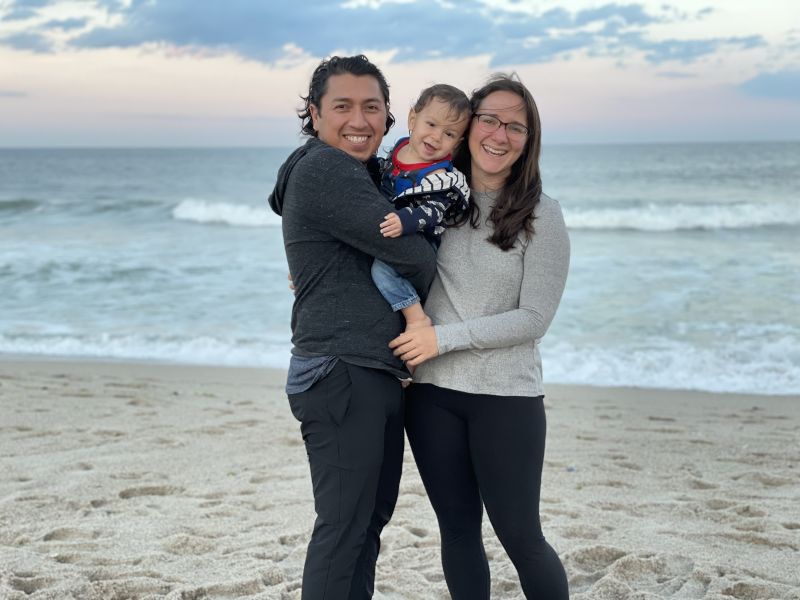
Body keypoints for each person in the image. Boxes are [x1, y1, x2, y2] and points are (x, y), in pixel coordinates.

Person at [389, 74, 571, 599]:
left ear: (528, 140)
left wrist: (441, 340)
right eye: (489, 119)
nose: (499, 133)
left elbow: (533, 318)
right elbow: (380, 253)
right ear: (467, 128)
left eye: (515, 125)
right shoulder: (438, 201)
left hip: (506, 398)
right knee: (459, 532)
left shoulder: (543, 214)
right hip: (430, 397)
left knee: (521, 536)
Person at [267, 55, 437, 600]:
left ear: (390, 116)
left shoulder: (353, 173)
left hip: (365, 369)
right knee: (344, 528)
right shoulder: (326, 168)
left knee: (364, 527)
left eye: (372, 107)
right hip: (343, 370)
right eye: (342, 106)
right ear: (315, 114)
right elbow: (415, 256)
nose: (358, 119)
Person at [371, 84, 471, 333]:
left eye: (449, 134)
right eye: (431, 125)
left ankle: (415, 316)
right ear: (413, 119)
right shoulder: (400, 149)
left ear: (457, 143)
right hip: (390, 227)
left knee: (381, 270)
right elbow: (382, 174)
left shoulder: (440, 176)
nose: (436, 137)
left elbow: (434, 211)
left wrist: (407, 219)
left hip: (420, 238)